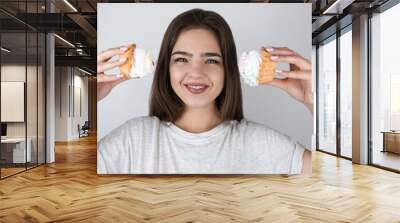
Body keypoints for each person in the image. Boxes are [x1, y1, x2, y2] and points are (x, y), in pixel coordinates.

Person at [97, 8, 313, 174]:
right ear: (166, 68)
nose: (196, 72)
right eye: (182, 59)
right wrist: (92, 98)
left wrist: (314, 102)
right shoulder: (133, 140)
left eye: (211, 60)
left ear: (228, 69)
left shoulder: (260, 143)